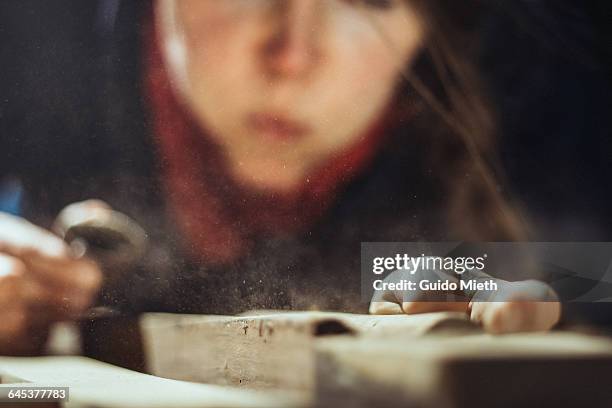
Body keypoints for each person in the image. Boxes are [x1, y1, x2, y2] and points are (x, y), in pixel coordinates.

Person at [4, 0, 606, 355]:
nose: (292, 55)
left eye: (366, 0)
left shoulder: (526, 85)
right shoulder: (36, 34)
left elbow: (594, 270)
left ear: (431, 29)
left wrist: (495, 269)